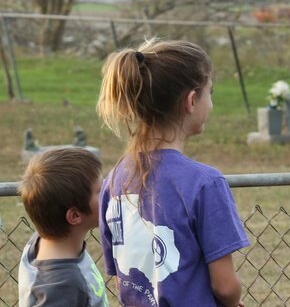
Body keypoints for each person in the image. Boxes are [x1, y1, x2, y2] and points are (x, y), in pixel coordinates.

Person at [96, 39, 249, 307]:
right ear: (191, 100)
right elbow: (225, 286)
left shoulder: (114, 181)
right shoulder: (204, 183)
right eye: (209, 93)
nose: (210, 104)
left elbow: (122, 276)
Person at [18, 147, 109, 307]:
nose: (109, 192)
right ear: (74, 216)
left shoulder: (43, 240)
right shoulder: (60, 288)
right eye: (100, 191)